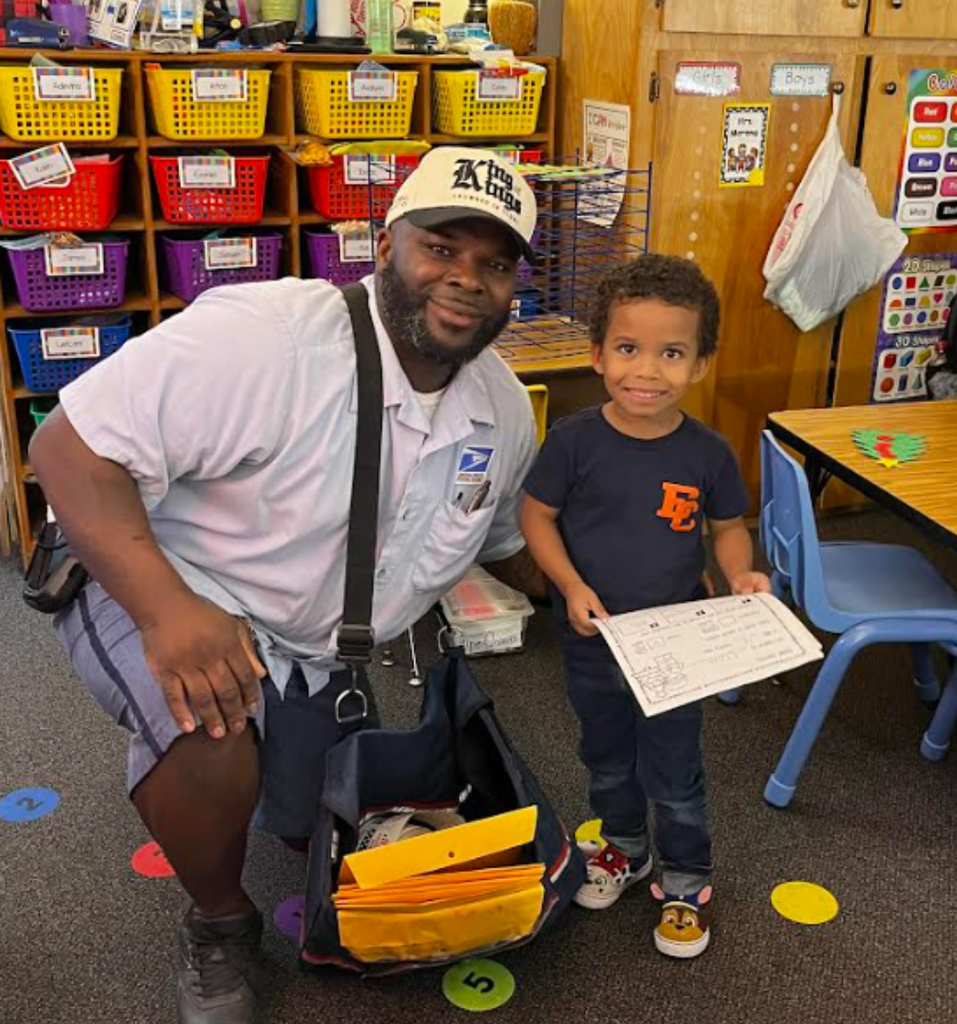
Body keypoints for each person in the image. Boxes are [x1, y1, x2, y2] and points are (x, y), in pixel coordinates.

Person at [30, 146, 545, 1024]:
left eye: (494, 264)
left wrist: (617, 590)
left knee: (311, 819)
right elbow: (66, 452)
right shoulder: (268, 338)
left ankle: (273, 759)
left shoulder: (503, 409)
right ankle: (220, 923)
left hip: (315, 640)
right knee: (211, 737)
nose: (466, 280)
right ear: (387, 246)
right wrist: (166, 612)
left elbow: (509, 545)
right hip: (158, 576)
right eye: (442, 249)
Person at [520, 254, 770, 960]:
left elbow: (726, 529)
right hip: (593, 637)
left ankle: (686, 877)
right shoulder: (572, 441)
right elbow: (536, 516)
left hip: (677, 641)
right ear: (598, 354)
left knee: (675, 765)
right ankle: (624, 849)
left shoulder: (709, 453)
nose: (647, 371)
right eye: (629, 348)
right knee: (605, 755)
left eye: (671, 353)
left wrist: (740, 574)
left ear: (699, 363)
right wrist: (569, 585)